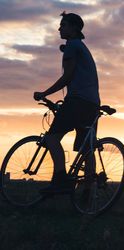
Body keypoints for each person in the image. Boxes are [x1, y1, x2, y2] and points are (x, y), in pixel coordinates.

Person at [34, 12, 100, 193]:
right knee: (86, 149)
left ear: (74, 28)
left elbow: (68, 76)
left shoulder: (72, 46)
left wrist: (44, 93)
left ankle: (60, 180)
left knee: (51, 138)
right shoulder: (81, 47)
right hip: (92, 103)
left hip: (77, 100)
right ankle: (88, 193)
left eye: (63, 25)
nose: (59, 28)